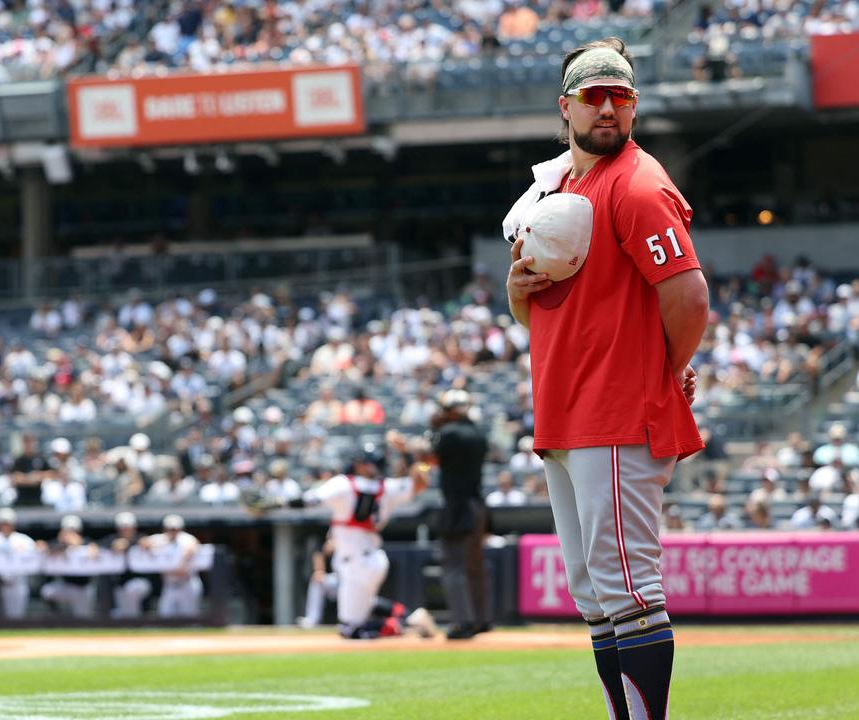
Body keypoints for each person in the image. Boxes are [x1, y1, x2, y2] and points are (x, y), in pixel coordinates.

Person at [502, 37, 708, 720]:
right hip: (568, 410)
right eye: (595, 97)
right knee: (596, 598)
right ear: (566, 107)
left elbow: (689, 298)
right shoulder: (564, 186)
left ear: (635, 108)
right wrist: (516, 290)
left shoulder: (638, 183)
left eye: (621, 97)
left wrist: (664, 373)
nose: (609, 109)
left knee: (629, 590)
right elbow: (543, 315)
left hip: (617, 412)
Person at [267, 444, 438, 640]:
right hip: (372, 558)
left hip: (355, 560)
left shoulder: (343, 484)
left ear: (364, 465)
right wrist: (409, 456)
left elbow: (309, 500)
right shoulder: (388, 487)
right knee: (366, 604)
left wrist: (276, 503)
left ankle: (404, 625)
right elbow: (421, 482)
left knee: (351, 629)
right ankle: (408, 616)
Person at [429, 389, 492, 640]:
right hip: (478, 504)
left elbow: (430, 457)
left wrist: (433, 432)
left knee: (453, 564)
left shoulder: (449, 433)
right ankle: (481, 619)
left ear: (453, 411)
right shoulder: (478, 433)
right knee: (475, 566)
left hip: (458, 506)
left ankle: (463, 622)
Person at [0, 507, 37, 619]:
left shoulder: (23, 539)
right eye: (3, 523)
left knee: (15, 617)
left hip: (17, 583)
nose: (5, 525)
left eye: (8, 523)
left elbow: (32, 549)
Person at [140, 514, 202, 618]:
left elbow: (194, 545)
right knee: (166, 617)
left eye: (175, 529)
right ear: (165, 528)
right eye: (170, 528)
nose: (172, 531)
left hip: (187, 583)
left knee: (189, 619)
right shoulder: (161, 538)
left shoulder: (186, 538)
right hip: (169, 585)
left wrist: (182, 564)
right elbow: (143, 543)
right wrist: (154, 546)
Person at [39, 514, 99, 619]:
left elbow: (94, 552)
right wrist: (63, 544)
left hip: (83, 587)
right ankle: (56, 616)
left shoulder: (87, 541)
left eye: (74, 530)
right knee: (47, 591)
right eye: (68, 530)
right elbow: (46, 548)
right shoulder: (59, 543)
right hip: (66, 585)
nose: (71, 533)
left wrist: (77, 544)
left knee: (83, 619)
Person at [104, 511, 151, 619]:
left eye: (128, 527)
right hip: (120, 584)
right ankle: (131, 626)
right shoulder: (112, 539)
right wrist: (113, 546)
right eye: (123, 527)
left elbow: (148, 544)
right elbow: (99, 546)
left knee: (132, 589)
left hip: (141, 581)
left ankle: (135, 622)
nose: (126, 529)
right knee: (124, 610)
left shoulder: (141, 538)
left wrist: (130, 543)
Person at [297, 535, 338, 629]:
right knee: (317, 581)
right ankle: (312, 620)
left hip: (353, 581)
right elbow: (319, 569)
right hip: (337, 581)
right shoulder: (323, 547)